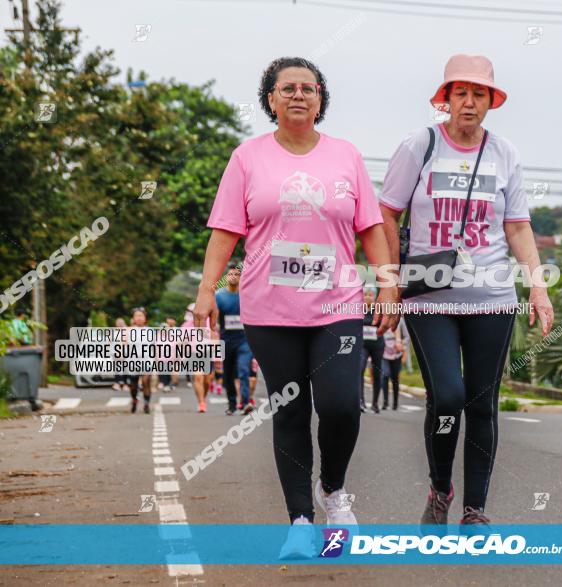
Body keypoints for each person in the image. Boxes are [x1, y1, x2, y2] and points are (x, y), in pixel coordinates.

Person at [193, 56, 396, 559]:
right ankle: (301, 521)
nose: (299, 95)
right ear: (270, 99)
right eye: (287, 88)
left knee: (341, 405)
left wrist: (389, 282)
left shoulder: (345, 156)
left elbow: (370, 226)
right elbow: (226, 230)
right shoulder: (247, 158)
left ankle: (334, 491)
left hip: (338, 304)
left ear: (321, 99)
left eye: (309, 88)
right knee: (289, 410)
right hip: (269, 308)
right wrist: (206, 289)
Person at [379, 54, 554, 530]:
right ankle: (441, 488)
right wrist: (389, 282)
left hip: (492, 297)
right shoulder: (420, 145)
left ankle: (475, 508)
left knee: (481, 402)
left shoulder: (505, 154)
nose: (470, 102)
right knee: (448, 396)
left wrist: (537, 289)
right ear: (447, 98)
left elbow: (518, 227)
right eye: (461, 93)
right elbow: (386, 214)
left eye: (480, 94)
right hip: (430, 295)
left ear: (491, 101)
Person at [215, 262, 255, 416]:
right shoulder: (219, 296)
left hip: (244, 340)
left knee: (243, 370)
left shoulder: (246, 294)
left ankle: (245, 403)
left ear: (241, 277)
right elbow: (214, 319)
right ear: (226, 277)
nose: (233, 277)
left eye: (236, 274)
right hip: (226, 340)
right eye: (230, 274)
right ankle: (232, 404)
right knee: (228, 374)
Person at [360, 287, 385, 413]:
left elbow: (384, 324)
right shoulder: (359, 309)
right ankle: (361, 401)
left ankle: (375, 403)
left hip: (377, 345)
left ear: (375, 296)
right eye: (366, 294)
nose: (368, 297)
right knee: (360, 369)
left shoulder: (379, 309)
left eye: (370, 295)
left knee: (377, 373)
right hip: (363, 344)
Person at [129, 307, 153, 414]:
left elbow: (155, 347)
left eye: (141, 316)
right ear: (133, 318)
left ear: (145, 318)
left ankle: (147, 404)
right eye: (136, 316)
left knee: (145, 382)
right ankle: (134, 400)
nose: (138, 318)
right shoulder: (128, 331)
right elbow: (122, 345)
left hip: (147, 360)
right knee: (133, 386)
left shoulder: (150, 331)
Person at [381, 319, 409, 410]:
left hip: (397, 354)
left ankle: (395, 403)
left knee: (395, 379)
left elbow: (407, 336)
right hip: (384, 353)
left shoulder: (400, 320)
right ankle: (385, 402)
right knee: (385, 375)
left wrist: (402, 346)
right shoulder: (382, 317)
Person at [158, 316, 178, 392]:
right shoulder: (158, 337)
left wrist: (175, 357)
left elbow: (175, 347)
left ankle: (169, 384)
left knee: (169, 372)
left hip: (170, 358)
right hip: (161, 358)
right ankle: (165, 384)